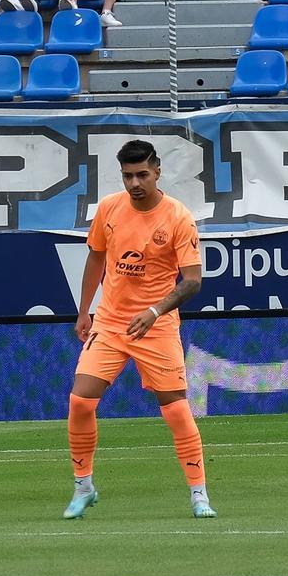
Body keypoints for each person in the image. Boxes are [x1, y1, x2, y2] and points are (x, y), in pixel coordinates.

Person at [64, 139, 213, 520]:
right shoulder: (110, 209)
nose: (135, 183)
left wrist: (154, 311)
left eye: (142, 174)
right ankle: (84, 487)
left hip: (157, 326)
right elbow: (96, 256)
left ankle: (199, 495)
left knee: (177, 410)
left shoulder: (178, 217)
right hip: (112, 322)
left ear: (157, 172)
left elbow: (193, 280)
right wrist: (85, 311)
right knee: (80, 401)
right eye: (128, 175)